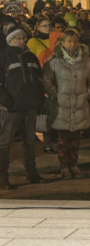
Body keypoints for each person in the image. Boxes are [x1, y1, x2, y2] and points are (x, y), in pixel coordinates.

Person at [42, 29, 90, 179]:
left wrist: (88, 94)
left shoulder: (85, 60)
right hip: (61, 106)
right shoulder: (54, 61)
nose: (72, 44)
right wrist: (57, 95)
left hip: (80, 104)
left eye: (74, 41)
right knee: (62, 140)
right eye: (69, 41)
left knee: (75, 140)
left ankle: (74, 165)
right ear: (62, 43)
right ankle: (64, 167)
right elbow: (46, 82)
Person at [0, 29, 44, 189]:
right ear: (10, 40)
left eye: (23, 38)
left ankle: (32, 173)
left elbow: (39, 80)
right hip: (10, 109)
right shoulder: (3, 57)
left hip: (29, 107)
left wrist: (39, 100)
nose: (21, 40)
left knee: (29, 141)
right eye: (17, 38)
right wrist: (7, 102)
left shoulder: (31, 56)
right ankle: (3, 177)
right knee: (4, 143)